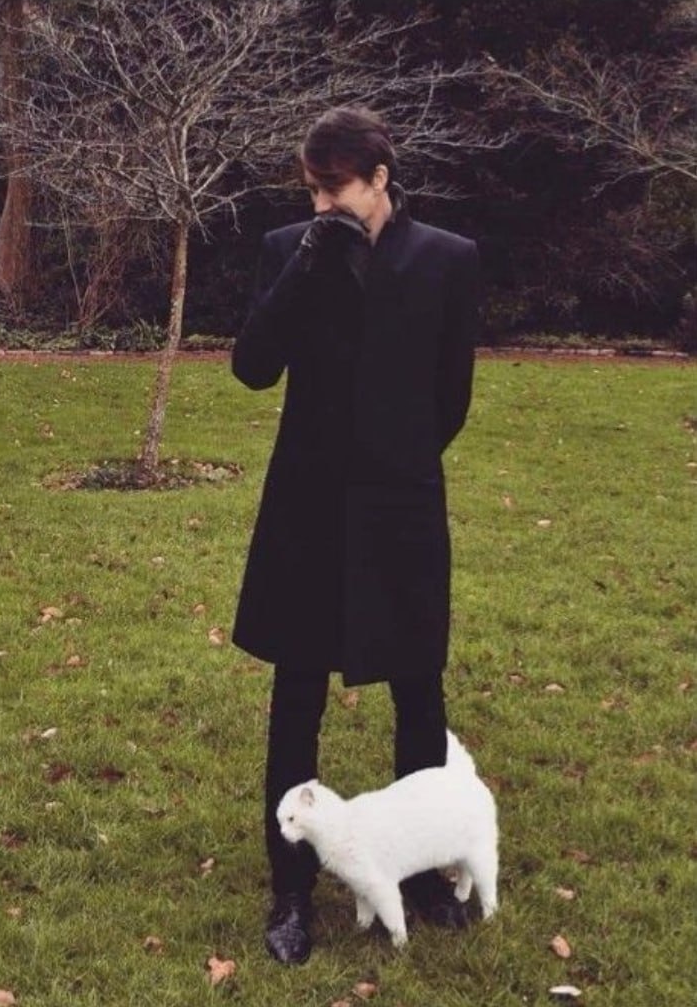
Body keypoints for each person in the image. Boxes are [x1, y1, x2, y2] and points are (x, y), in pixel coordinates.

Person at [231, 105, 481, 965]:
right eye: (312, 189)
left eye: (334, 188)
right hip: (307, 512)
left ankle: (421, 872)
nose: (322, 203)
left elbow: (451, 397)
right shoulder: (290, 250)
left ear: (380, 178)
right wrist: (307, 261)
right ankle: (291, 888)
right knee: (296, 695)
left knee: (418, 693)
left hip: (402, 507)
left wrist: (396, 463)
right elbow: (252, 368)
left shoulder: (447, 259)